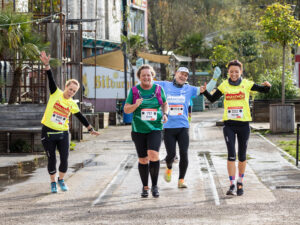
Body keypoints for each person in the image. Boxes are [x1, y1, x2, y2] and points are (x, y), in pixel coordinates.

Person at [200, 60, 271, 196]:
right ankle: (232, 184)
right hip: (229, 125)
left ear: (241, 72)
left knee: (242, 155)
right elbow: (213, 99)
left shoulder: (246, 84)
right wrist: (204, 92)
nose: (234, 74)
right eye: (231, 71)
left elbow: (263, 90)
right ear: (228, 72)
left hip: (244, 125)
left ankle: (240, 182)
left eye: (236, 72)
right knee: (231, 155)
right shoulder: (224, 85)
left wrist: (268, 86)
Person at [40, 51, 100, 193]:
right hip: (48, 131)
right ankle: (53, 182)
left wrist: (91, 129)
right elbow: (50, 78)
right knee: (52, 159)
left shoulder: (72, 104)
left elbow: (81, 117)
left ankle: (61, 179)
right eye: (70, 89)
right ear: (66, 87)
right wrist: (47, 64)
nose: (71, 92)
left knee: (65, 159)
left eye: (74, 91)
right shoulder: (56, 93)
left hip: (63, 134)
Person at [155, 66, 221, 188]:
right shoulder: (164, 85)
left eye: (186, 75)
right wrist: (140, 68)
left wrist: (215, 78)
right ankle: (169, 167)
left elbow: (207, 89)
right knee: (170, 155)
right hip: (168, 127)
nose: (183, 76)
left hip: (183, 127)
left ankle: (181, 180)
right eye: (181, 73)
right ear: (176, 73)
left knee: (184, 153)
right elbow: (147, 83)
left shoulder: (189, 89)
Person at [124, 64, 168, 198]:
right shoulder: (134, 91)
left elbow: (164, 104)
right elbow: (126, 109)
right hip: (138, 129)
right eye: (143, 75)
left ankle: (155, 186)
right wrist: (135, 105)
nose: (146, 77)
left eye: (148, 75)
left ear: (152, 76)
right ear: (139, 77)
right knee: (143, 159)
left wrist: (165, 114)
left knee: (153, 155)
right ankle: (145, 186)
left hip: (155, 127)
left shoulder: (159, 90)